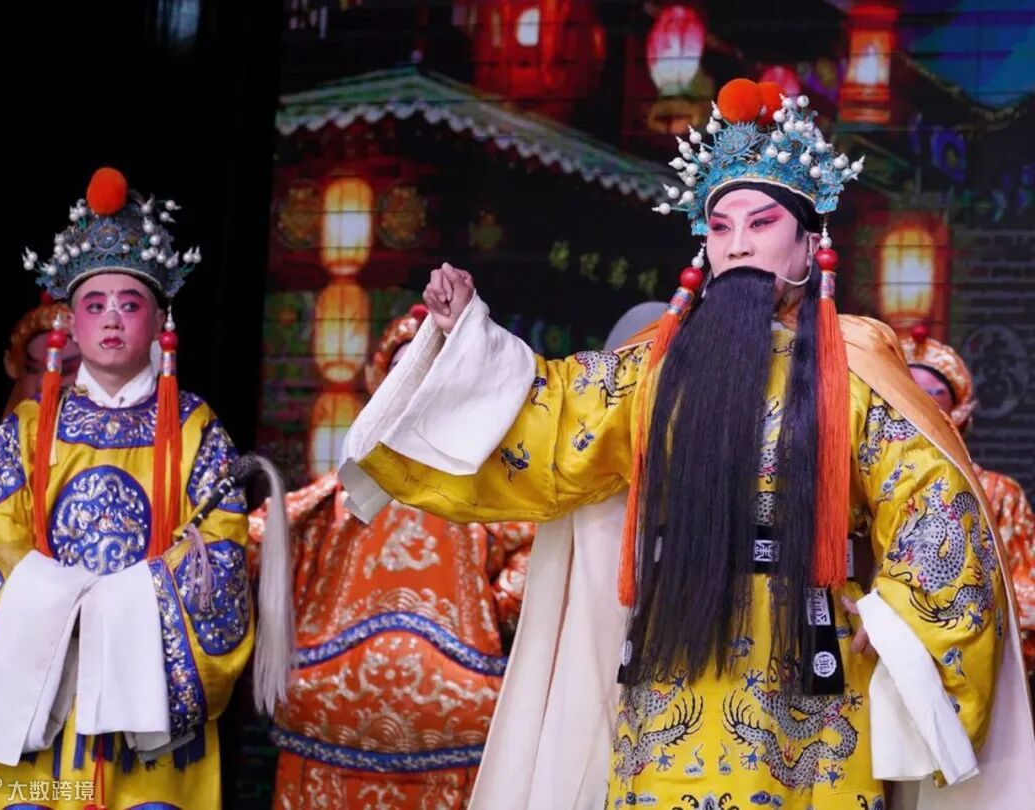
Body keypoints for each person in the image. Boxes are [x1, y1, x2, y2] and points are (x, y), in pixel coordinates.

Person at [337, 79, 1033, 809]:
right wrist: (465, 342)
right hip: (673, 655)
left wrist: (905, 614)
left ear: (810, 241)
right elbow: (552, 419)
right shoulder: (656, 366)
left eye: (762, 223)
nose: (739, 244)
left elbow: (931, 499)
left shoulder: (853, 367)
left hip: (807, 661)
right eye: (720, 228)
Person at [0, 167, 289, 809]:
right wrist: (70, 610)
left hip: (149, 694)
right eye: (95, 305)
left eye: (130, 304)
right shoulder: (29, 428)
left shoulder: (195, 429)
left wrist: (118, 611)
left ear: (160, 320)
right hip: (46, 689)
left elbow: (218, 554)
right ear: (71, 323)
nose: (111, 319)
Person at [248, 305, 533, 809]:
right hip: (330, 725)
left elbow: (533, 557)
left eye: (434, 368)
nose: (417, 384)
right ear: (380, 382)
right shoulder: (341, 492)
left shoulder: (484, 493)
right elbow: (262, 542)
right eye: (404, 369)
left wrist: (496, 608)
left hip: (453, 730)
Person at [0, 296, 78, 802]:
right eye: (34, 368)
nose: (48, 382)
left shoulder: (123, 471)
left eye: (66, 368)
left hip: (72, 719)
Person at [902, 325, 1035, 677]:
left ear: (957, 407)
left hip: (973, 656)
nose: (918, 403)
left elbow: (1026, 592)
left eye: (932, 393)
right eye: (905, 390)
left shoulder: (998, 493)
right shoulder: (866, 489)